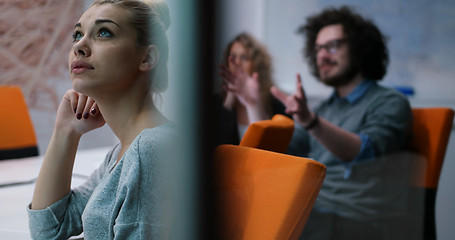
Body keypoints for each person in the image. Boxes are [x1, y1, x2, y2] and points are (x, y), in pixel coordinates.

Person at [27, 0, 176, 239]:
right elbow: (49, 229)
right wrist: (65, 131)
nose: (80, 46)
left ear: (147, 58)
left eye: (104, 32)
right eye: (77, 35)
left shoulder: (151, 150)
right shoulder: (124, 152)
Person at [270, 6, 414, 240]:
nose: (322, 56)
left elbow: (365, 151)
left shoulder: (389, 102)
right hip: (315, 210)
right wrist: (252, 104)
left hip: (361, 219)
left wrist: (312, 122)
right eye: (317, 49)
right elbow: (280, 151)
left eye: (333, 45)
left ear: (359, 47)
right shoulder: (323, 109)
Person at [215, 32, 286, 146]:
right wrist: (229, 101)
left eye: (244, 57)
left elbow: (269, 149)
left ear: (257, 64)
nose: (237, 62)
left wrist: (253, 104)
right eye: (233, 57)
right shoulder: (215, 104)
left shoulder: (275, 104)